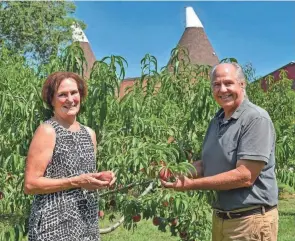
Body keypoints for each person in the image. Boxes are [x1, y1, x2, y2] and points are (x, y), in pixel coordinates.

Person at [161, 63, 278, 241]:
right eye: (216, 84)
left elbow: (245, 175)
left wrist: (189, 185)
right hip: (221, 219)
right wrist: (174, 171)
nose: (222, 89)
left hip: (250, 222)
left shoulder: (255, 119)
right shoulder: (217, 120)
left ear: (242, 84)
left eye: (228, 83)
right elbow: (206, 164)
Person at [24, 71, 116, 241]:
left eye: (74, 92)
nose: (70, 99)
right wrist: (76, 181)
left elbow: (85, 178)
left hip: (86, 224)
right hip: (53, 227)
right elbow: (30, 184)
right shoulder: (47, 131)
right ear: (51, 100)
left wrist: (99, 179)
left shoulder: (89, 133)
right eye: (62, 95)